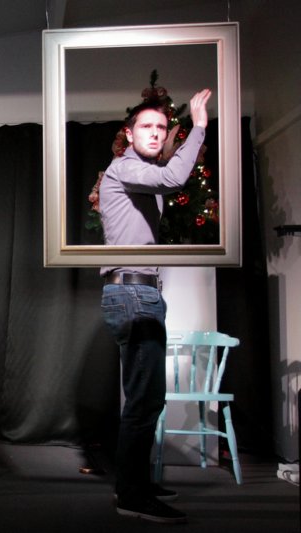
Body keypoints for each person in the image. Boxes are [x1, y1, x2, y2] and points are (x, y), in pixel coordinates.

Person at [99, 88, 212, 524]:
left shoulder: (144, 171)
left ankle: (134, 483)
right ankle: (132, 495)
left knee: (146, 399)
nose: (155, 133)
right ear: (129, 134)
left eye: (162, 128)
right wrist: (198, 128)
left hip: (139, 292)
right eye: (146, 126)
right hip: (132, 293)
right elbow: (174, 178)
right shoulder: (126, 167)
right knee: (145, 401)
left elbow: (166, 172)